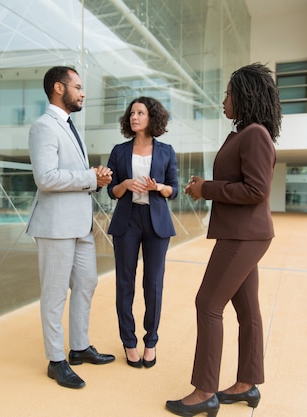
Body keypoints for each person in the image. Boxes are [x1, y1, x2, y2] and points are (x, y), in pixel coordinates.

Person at [165, 63, 281, 416]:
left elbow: (257, 190)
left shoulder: (255, 134)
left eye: (229, 93)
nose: (223, 100)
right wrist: (206, 187)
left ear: (245, 96)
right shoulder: (243, 133)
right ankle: (248, 383)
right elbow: (242, 182)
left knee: (208, 303)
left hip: (244, 235)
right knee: (247, 309)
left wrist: (207, 189)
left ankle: (204, 393)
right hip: (242, 233)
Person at [27, 66, 115, 390]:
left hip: (80, 225)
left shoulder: (68, 126)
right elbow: (46, 177)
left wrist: (95, 176)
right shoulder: (43, 127)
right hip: (55, 227)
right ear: (58, 88)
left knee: (87, 283)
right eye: (77, 86)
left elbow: (71, 174)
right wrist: (90, 177)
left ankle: (78, 347)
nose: (82, 92)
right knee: (53, 296)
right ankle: (56, 361)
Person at [106, 97, 179, 369]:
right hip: (127, 221)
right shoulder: (119, 150)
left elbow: (174, 189)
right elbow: (111, 190)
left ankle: (151, 341)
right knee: (125, 283)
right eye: (132, 112)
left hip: (156, 222)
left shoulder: (166, 151)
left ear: (152, 118)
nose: (134, 116)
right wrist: (124, 183)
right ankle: (128, 340)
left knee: (153, 284)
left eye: (141, 112)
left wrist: (157, 187)